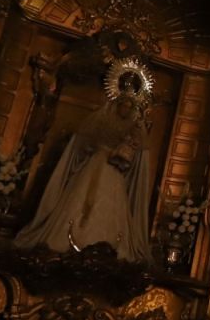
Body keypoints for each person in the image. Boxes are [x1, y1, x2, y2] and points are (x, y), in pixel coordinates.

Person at [15, 59, 156, 263]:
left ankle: (106, 248)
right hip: (95, 164)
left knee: (109, 206)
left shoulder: (135, 125)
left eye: (128, 106)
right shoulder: (101, 118)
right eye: (122, 104)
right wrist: (94, 148)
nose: (125, 109)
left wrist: (130, 143)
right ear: (116, 101)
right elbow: (83, 143)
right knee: (83, 202)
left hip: (113, 169)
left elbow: (139, 152)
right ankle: (68, 243)